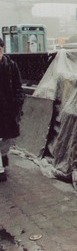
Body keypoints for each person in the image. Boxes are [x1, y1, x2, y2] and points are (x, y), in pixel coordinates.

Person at [0, 37, 25, 181]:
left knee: (8, 138)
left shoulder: (11, 65)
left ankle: (3, 156)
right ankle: (1, 170)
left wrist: (17, 102)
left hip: (8, 110)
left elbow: (18, 87)